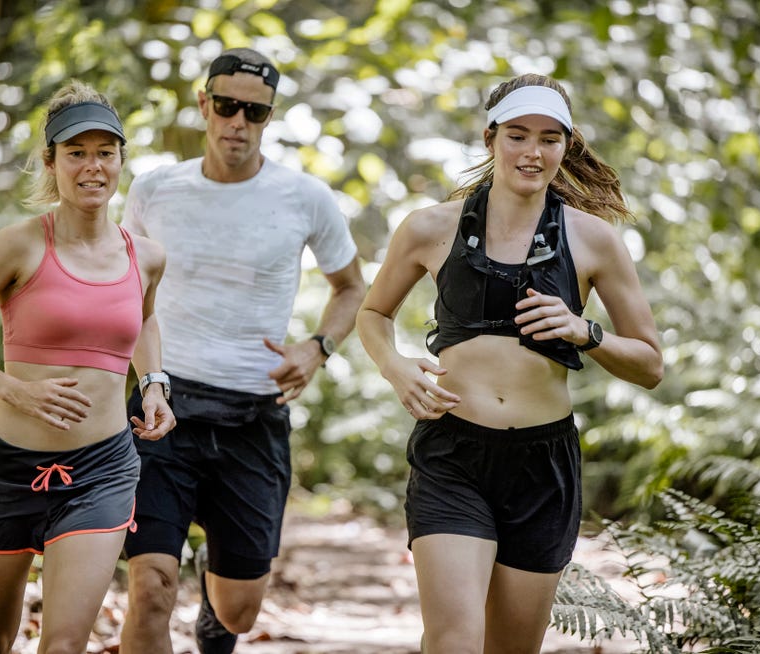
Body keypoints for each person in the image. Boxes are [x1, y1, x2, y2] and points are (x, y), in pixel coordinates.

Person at [356, 73, 663, 654]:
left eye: (549, 138)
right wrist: (395, 366)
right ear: (491, 136)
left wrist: (585, 331)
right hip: (453, 454)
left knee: (511, 647)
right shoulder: (430, 227)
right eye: (518, 135)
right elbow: (373, 313)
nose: (532, 151)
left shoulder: (593, 240)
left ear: (566, 146)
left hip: (542, 464)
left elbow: (650, 364)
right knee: (454, 639)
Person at [118, 48, 365, 654]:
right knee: (149, 588)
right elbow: (120, 288)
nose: (238, 122)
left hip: (254, 415)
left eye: (254, 112)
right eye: (226, 106)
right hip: (161, 407)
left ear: (268, 118)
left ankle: (215, 599)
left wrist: (318, 347)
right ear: (204, 104)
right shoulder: (154, 189)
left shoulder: (304, 197)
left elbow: (353, 287)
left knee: (238, 612)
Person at [0, 80, 176, 654]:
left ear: (120, 161)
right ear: (51, 161)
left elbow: (145, 321)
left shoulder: (147, 255)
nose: (92, 167)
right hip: (8, 469)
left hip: (101, 470)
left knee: (62, 645)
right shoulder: (18, 246)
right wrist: (13, 390)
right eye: (76, 153)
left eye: (104, 152)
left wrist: (154, 383)